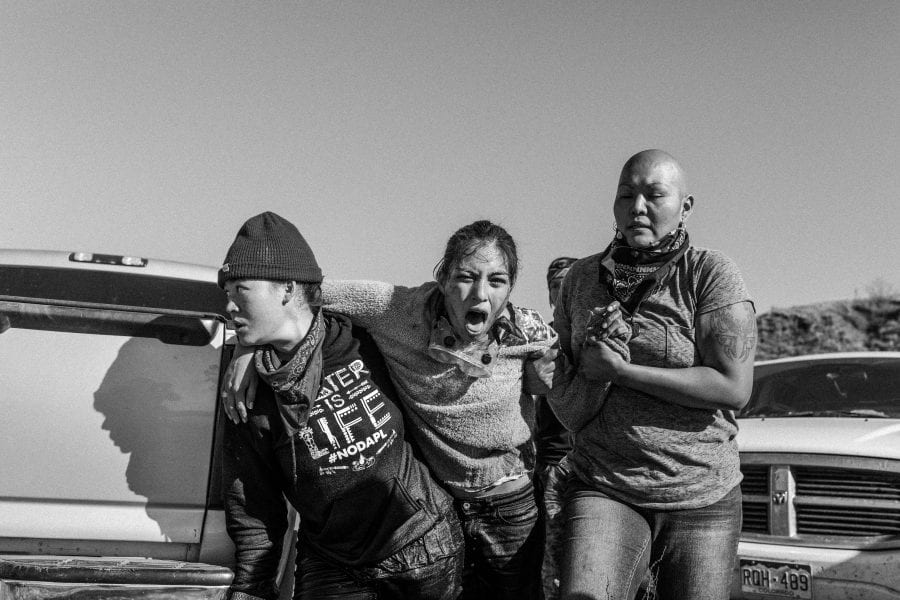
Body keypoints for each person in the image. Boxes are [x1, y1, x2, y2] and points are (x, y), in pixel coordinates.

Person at [226, 220, 557, 600]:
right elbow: (307, 291)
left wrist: (552, 376)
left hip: (496, 510)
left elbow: (573, 385)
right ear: (443, 278)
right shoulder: (396, 312)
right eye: (466, 276)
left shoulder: (527, 335)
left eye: (497, 281)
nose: (480, 294)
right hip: (410, 519)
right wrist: (246, 345)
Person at [218, 212, 464, 600]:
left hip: (422, 542)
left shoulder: (363, 340)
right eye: (226, 291)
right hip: (332, 560)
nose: (228, 305)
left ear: (286, 289)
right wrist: (252, 586)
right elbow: (253, 505)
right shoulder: (248, 393)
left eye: (240, 289)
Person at [549, 150, 756, 600]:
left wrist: (622, 370)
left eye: (654, 195)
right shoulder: (582, 279)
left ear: (686, 205)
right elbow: (570, 411)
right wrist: (591, 369)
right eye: (626, 195)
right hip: (605, 484)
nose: (637, 207)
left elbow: (733, 387)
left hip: (702, 495)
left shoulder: (710, 274)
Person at [534, 257, 577, 600]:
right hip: (552, 466)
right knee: (554, 568)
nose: (560, 291)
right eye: (554, 285)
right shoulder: (541, 341)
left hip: (597, 466)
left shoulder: (603, 336)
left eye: (568, 283)